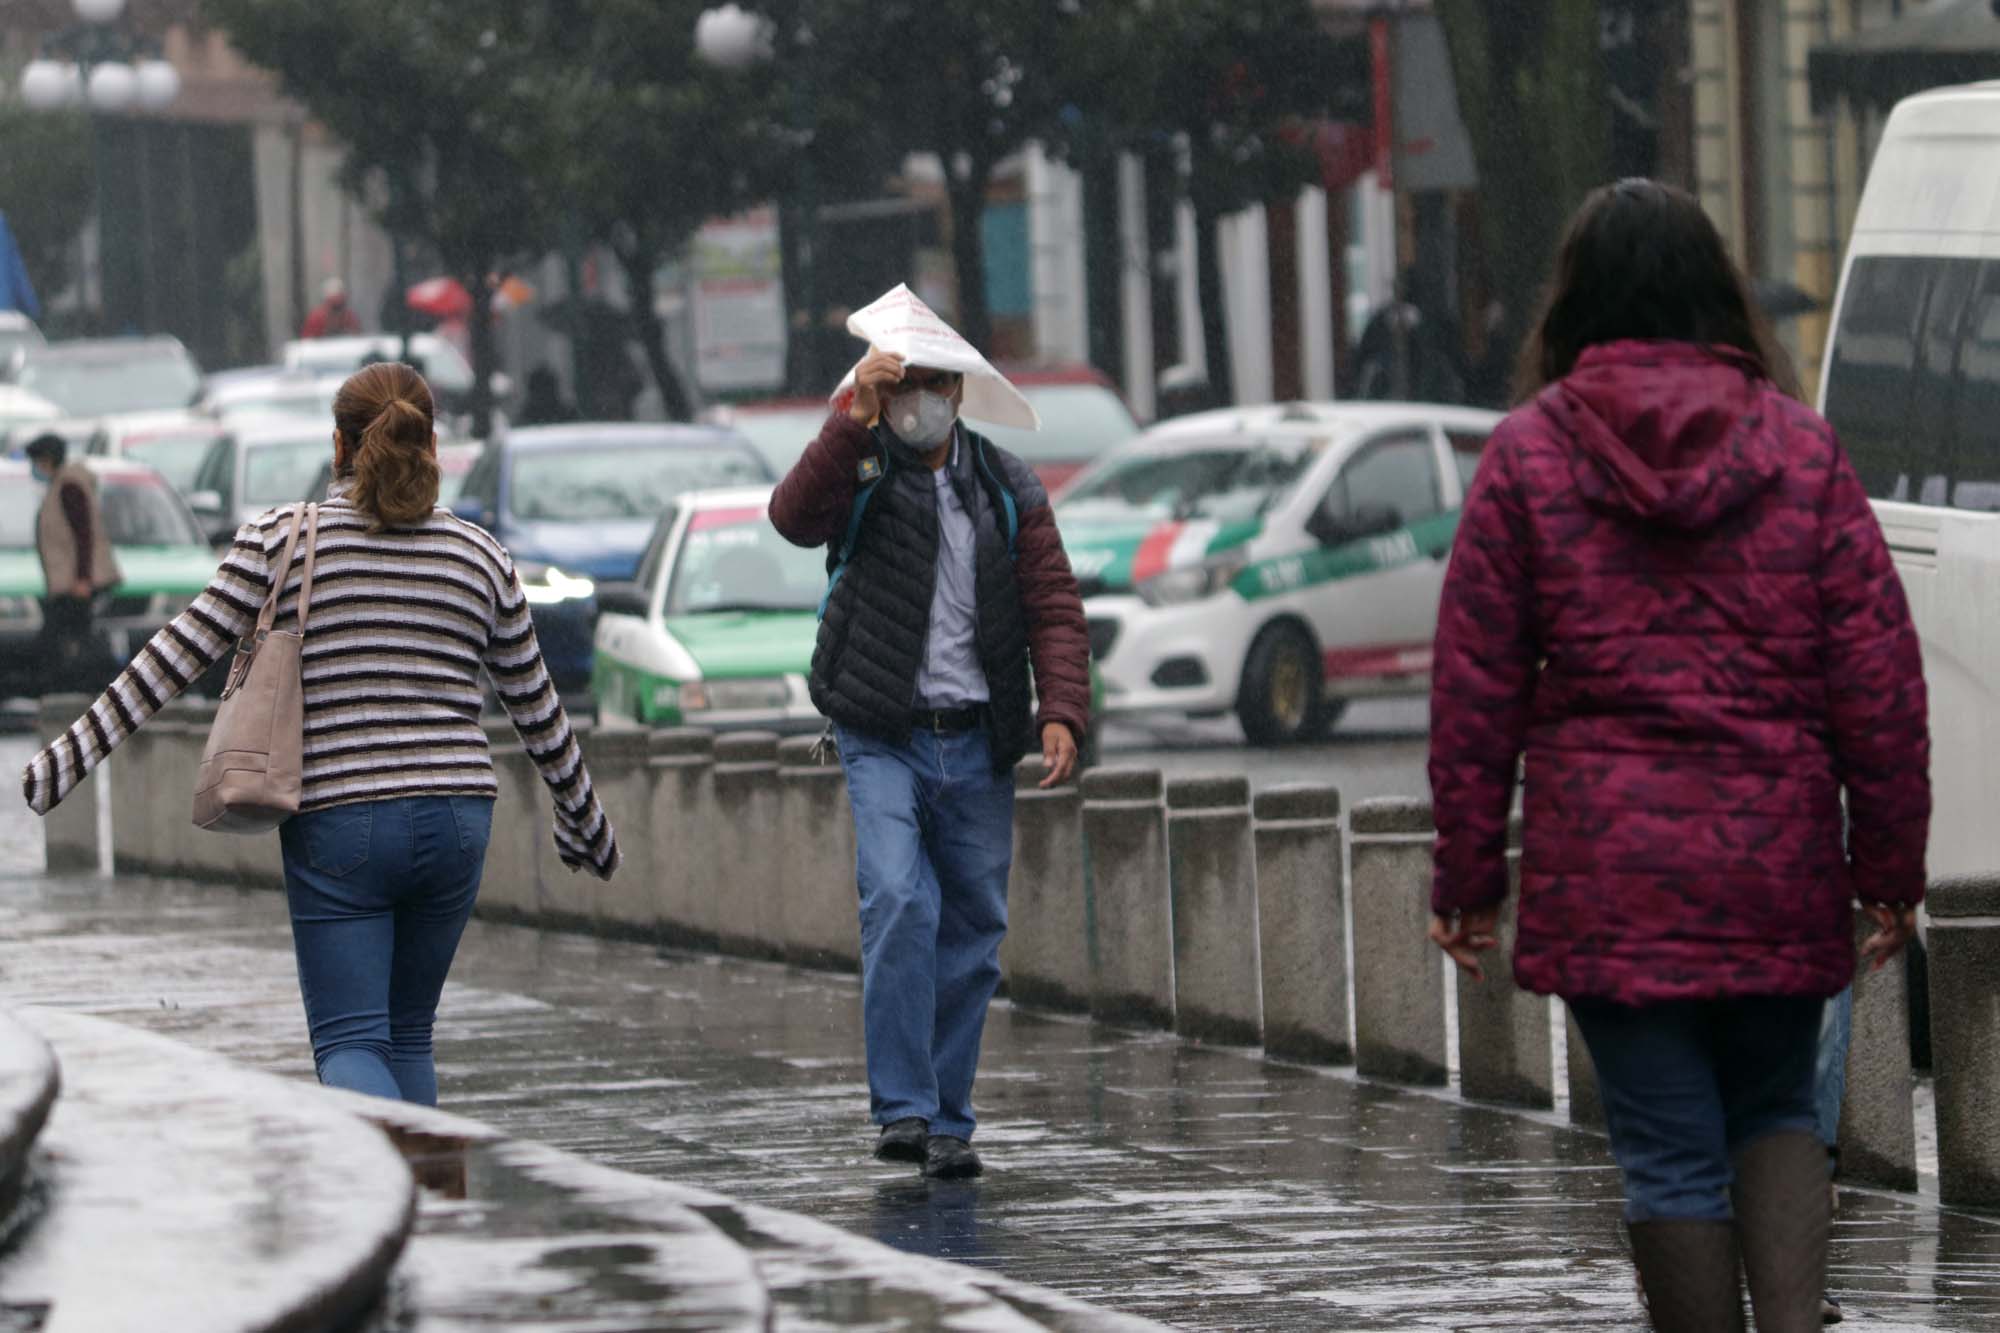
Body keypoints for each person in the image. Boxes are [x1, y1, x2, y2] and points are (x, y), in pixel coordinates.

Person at [1425, 180, 1929, 1331]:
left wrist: (1464, 884)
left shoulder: (1524, 461)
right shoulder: (1801, 455)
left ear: (1574, 303)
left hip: (1611, 880)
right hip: (1777, 862)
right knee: (1772, 1113)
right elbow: (1877, 684)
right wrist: (1886, 872)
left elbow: (1474, 696)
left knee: (1664, 1154)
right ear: (1718, 295)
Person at [21, 362, 619, 1106]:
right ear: (430, 444)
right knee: (408, 1034)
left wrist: (65, 759)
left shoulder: (282, 540)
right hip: (459, 821)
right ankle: (432, 1197)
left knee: (351, 1041)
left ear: (339, 446)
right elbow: (539, 710)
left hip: (342, 820)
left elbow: (174, 657)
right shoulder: (481, 556)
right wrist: (586, 823)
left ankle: (399, 1193)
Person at [769, 321, 1091, 1182]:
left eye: (929, 387)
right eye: (901, 386)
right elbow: (792, 517)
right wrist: (850, 416)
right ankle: (902, 1109)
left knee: (974, 933)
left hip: (978, 738)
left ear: (956, 394)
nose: (917, 404)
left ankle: (949, 1118)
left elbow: (1054, 603)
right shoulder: (861, 465)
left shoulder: (1003, 483)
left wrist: (1061, 708)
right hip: (883, 732)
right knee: (899, 900)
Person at [24, 433, 118, 695]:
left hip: (77, 582)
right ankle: (78, 687)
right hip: (68, 581)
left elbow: (83, 535)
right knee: (73, 636)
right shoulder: (60, 485)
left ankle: (78, 687)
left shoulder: (69, 486)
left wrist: (82, 578)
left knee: (59, 638)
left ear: (46, 460)